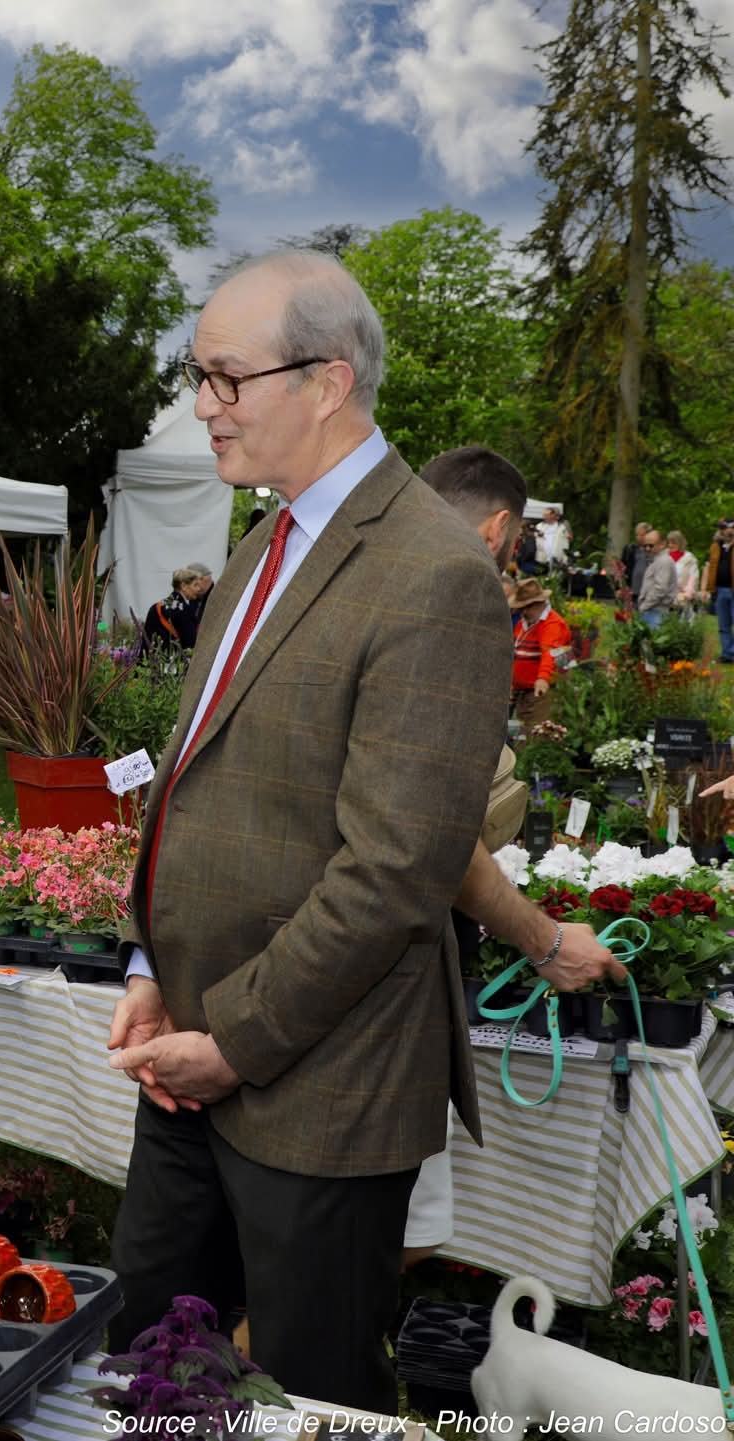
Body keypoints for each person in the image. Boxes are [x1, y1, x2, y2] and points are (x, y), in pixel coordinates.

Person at [104, 253, 510, 1411]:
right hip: (193, 1048)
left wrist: (229, 1036)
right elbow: (197, 786)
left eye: (225, 379)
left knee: (307, 1395)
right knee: (149, 1362)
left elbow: (395, 870)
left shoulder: (431, 571)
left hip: (319, 1085)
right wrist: (151, 964)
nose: (201, 406)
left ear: (326, 381)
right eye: (199, 377)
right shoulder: (259, 549)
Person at [403, 447, 622, 1270]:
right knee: (397, 1233)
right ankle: (263, 1372)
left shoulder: (346, 577)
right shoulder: (454, 599)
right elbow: (434, 828)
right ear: (499, 530)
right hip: (394, 962)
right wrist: (548, 940)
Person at [507, 578, 571, 729]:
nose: (522, 612)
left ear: (537, 604)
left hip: (541, 693)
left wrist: (542, 679)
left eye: (525, 607)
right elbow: (514, 653)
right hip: (521, 692)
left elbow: (550, 653)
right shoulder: (523, 624)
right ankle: (518, 750)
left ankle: (527, 750)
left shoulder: (553, 624)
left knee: (535, 733)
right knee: (517, 734)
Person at [141, 564, 212, 653]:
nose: (199, 589)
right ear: (184, 586)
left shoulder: (157, 606)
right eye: (195, 585)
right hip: (172, 662)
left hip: (151, 661)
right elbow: (191, 642)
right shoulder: (183, 609)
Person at [638, 534, 679, 629]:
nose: (647, 548)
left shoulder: (664, 561)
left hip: (656, 611)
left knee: (650, 642)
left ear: (662, 544)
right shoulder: (656, 560)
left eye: (651, 545)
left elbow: (660, 589)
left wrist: (644, 606)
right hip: (652, 610)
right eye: (645, 546)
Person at [709, 522, 734, 664]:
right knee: (723, 625)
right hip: (719, 589)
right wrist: (710, 589)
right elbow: (710, 567)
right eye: (722, 528)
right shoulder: (715, 546)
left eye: (728, 528)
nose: (725, 531)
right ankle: (727, 654)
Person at [669, 530, 700, 616]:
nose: (670, 545)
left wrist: (687, 594)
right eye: (669, 542)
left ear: (680, 543)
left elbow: (694, 577)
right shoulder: (665, 556)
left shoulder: (690, 558)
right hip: (666, 596)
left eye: (674, 543)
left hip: (683, 598)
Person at [535, 505, 571, 570]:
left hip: (557, 559)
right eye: (544, 514)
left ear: (553, 515)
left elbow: (566, 543)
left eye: (547, 515)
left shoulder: (562, 527)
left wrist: (565, 558)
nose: (544, 516)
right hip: (542, 558)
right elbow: (534, 539)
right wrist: (537, 534)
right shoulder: (539, 526)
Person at [633, 525, 662, 597]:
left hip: (649, 592)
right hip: (633, 591)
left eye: (642, 535)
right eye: (637, 535)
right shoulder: (632, 550)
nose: (639, 537)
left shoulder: (655, 551)